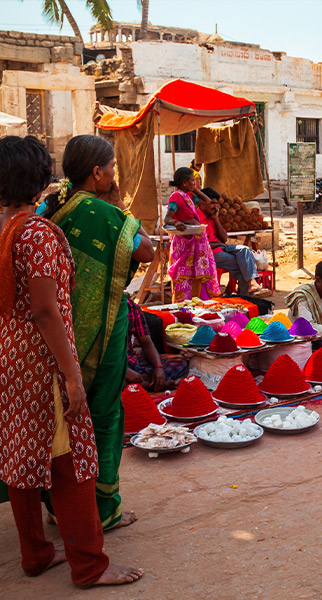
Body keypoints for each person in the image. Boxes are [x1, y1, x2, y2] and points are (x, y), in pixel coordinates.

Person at [0, 135, 143, 587]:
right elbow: (45, 309)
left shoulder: (5, 226)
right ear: (39, 178)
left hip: (12, 354)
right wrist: (71, 374)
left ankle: (36, 554)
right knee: (74, 459)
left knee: (22, 457)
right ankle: (89, 565)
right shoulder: (37, 233)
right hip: (43, 358)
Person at [42, 134, 154, 531]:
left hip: (55, 333)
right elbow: (147, 251)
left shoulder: (52, 208)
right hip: (102, 330)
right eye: (112, 167)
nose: (114, 173)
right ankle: (103, 509)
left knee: (61, 417)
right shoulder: (102, 213)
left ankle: (59, 505)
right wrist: (120, 205)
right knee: (104, 414)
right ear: (97, 172)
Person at [195, 187, 270, 296]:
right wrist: (219, 244)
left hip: (221, 247)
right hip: (209, 253)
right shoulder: (197, 219)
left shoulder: (212, 217)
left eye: (216, 204)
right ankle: (247, 296)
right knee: (242, 265)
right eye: (212, 203)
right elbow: (202, 245)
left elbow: (224, 238)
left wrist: (216, 219)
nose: (215, 207)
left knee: (244, 250)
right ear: (202, 203)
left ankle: (252, 283)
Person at [164, 167, 221, 302]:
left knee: (198, 275)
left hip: (196, 240)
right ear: (184, 183)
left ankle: (199, 302)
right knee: (185, 276)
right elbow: (167, 219)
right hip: (185, 242)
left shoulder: (189, 197)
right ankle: (183, 304)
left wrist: (194, 189)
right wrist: (176, 222)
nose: (194, 184)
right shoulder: (176, 197)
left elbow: (207, 200)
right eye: (192, 181)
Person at [126, 297, 187, 391]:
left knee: (180, 361)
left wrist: (158, 367)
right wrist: (124, 372)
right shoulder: (98, 310)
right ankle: (149, 384)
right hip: (109, 365)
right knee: (105, 379)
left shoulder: (131, 307)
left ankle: (141, 383)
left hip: (132, 360)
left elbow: (146, 343)